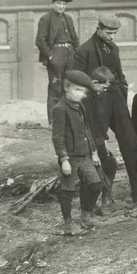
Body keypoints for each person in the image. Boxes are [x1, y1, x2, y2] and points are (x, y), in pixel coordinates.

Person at [71, 14, 137, 213]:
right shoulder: (84, 51)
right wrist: (91, 90)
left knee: (131, 143)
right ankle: (100, 198)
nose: (112, 37)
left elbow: (119, 73)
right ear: (98, 28)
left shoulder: (114, 48)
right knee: (100, 149)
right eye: (109, 33)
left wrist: (122, 89)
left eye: (115, 33)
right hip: (96, 103)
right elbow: (75, 76)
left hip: (116, 99)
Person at [50, 70, 106, 235]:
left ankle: (86, 215)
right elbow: (57, 137)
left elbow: (86, 130)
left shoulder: (80, 105)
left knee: (96, 185)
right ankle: (68, 224)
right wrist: (64, 159)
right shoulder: (60, 108)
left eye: (83, 91)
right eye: (76, 90)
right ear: (66, 87)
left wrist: (94, 152)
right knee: (67, 190)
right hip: (71, 157)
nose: (80, 94)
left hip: (85, 154)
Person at [35, 0, 80, 126]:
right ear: (53, 3)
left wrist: (76, 53)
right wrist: (50, 56)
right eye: (59, 3)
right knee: (55, 88)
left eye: (64, 4)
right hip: (56, 55)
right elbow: (40, 40)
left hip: (70, 55)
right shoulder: (46, 19)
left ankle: (67, 119)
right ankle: (53, 121)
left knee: (69, 87)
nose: (61, 6)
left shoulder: (68, 18)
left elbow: (74, 38)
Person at [86, 67, 121, 210]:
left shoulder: (94, 96)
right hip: (90, 139)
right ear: (95, 82)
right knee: (96, 170)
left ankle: (105, 199)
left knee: (110, 164)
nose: (104, 90)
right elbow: (90, 125)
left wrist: (104, 140)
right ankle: (94, 204)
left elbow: (99, 122)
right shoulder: (86, 98)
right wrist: (94, 149)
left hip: (98, 138)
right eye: (103, 87)